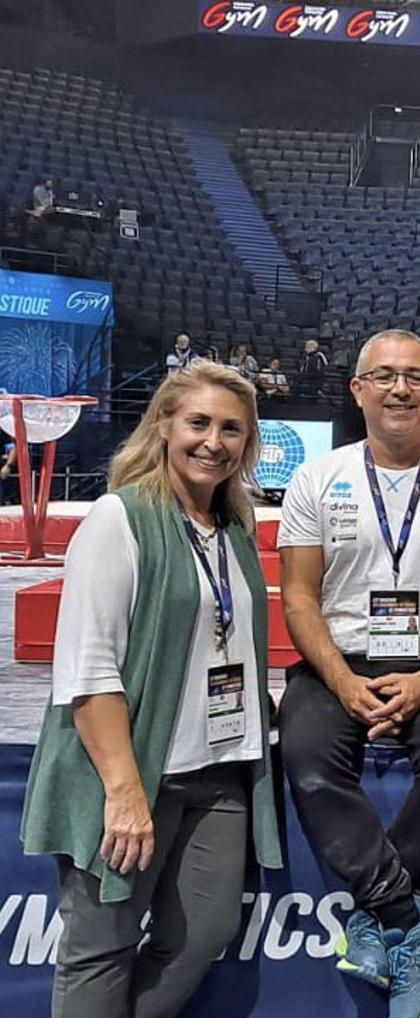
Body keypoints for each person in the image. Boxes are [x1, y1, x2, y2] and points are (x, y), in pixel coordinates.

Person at [20, 361, 282, 1017]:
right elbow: (88, 671)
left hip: (217, 772)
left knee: (204, 934)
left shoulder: (234, 529)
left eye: (231, 430)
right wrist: (125, 792)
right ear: (164, 424)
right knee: (101, 949)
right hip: (131, 775)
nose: (213, 442)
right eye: (198, 422)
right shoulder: (119, 518)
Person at [276, 328, 420, 1017]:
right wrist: (343, 682)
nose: (400, 389)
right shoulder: (317, 478)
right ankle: (407, 916)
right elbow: (298, 595)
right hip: (337, 659)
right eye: (383, 376)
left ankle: (382, 913)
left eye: (414, 377)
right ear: (358, 390)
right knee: (304, 751)